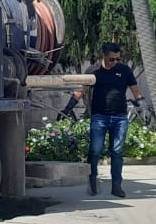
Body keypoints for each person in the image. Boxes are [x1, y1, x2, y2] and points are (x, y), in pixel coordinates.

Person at [61, 43, 144, 198]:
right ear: (104, 56)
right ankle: (92, 179)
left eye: (118, 59)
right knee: (95, 151)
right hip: (100, 117)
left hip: (120, 117)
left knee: (117, 152)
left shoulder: (124, 70)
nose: (115, 62)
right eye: (112, 59)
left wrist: (142, 103)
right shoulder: (93, 71)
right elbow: (80, 90)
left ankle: (116, 186)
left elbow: (135, 89)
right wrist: (68, 108)